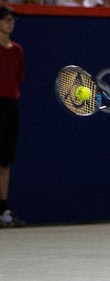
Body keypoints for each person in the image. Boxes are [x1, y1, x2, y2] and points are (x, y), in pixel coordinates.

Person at [0, 6, 25, 227]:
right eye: (6, 19)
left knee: (5, 162)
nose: (10, 23)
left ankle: (3, 211)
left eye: (12, 20)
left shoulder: (17, 50)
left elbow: (17, 79)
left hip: (10, 107)